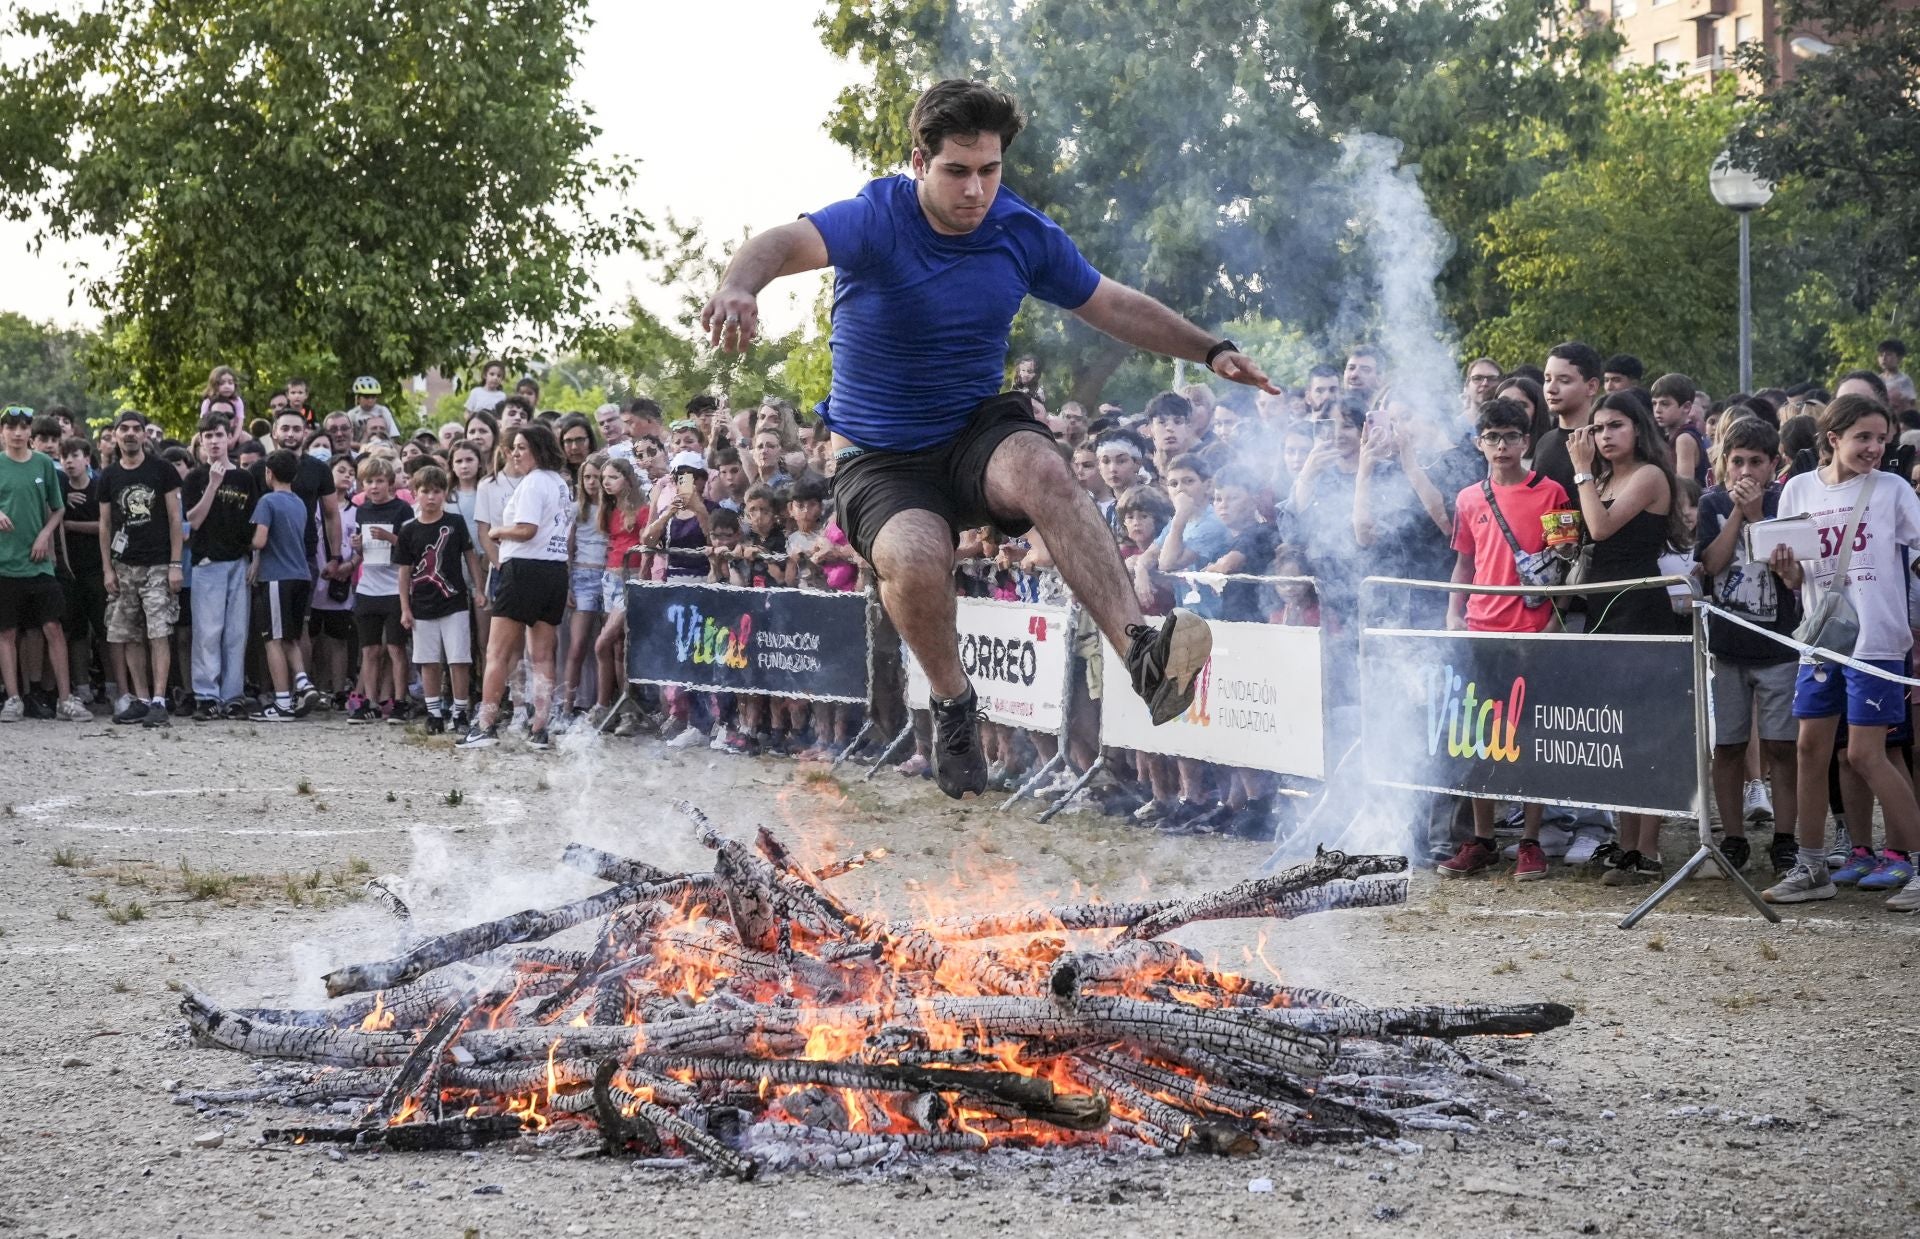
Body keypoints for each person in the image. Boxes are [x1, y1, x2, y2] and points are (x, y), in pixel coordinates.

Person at [700, 78, 1276, 797]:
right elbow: (782, 242)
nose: (976, 190)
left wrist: (1209, 349)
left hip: (974, 435)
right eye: (958, 171)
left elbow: (1111, 304)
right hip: (881, 457)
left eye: (990, 170)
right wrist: (738, 286)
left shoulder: (1019, 231)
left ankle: (1145, 658)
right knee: (914, 555)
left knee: (1045, 465)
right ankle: (952, 703)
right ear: (919, 161)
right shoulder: (874, 217)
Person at [1764, 395, 1920, 912]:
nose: (1875, 448)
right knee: (1812, 750)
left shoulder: (1894, 490)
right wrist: (1786, 571)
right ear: (1833, 438)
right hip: (1821, 639)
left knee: (1865, 754)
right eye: (1863, 438)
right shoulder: (1797, 489)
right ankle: (1811, 867)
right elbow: (1793, 576)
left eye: (1882, 439)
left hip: (1877, 638)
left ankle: (1917, 863)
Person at [1440, 397, 1571, 881]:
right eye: (1492, 437)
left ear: (1527, 441)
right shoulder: (1468, 498)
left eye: (1511, 436)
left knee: (1530, 740)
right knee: (1479, 740)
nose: (1502, 446)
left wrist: (1553, 629)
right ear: (1479, 443)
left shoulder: (1553, 493)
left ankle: (1531, 840)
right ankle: (1484, 838)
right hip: (1480, 632)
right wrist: (1454, 613)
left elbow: (1564, 568)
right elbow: (1463, 561)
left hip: (1531, 633)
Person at [1567, 390, 1690, 885]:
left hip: (1640, 611)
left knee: (1644, 732)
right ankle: (1624, 841)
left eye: (1615, 426)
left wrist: (1578, 471)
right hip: (1602, 608)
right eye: (1597, 429)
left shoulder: (1649, 476)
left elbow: (1600, 527)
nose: (1603, 437)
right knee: (1616, 731)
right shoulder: (1601, 478)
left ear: (1638, 428)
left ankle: (1649, 848)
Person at [1694, 417, 1802, 879]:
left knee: (1781, 746)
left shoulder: (1785, 502)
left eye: (1755, 462)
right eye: (1736, 461)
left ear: (1773, 465)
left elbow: (1793, 575)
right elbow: (1712, 565)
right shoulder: (1712, 504)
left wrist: (1758, 514)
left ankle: (1785, 838)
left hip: (1778, 646)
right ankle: (1733, 838)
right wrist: (1737, 513)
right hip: (1729, 646)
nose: (1745, 471)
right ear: (1723, 462)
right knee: (1731, 745)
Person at [459, 424, 573, 751]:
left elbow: (526, 529)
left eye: (522, 447)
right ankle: (539, 727)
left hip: (524, 568)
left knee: (497, 652)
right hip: (553, 570)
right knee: (542, 654)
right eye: (513, 447)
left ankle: (485, 724)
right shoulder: (559, 482)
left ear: (539, 448)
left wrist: (497, 531)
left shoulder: (534, 482)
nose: (515, 453)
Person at [0, 406, 86, 722]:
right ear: (2, 432)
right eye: (12, 427)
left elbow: (57, 508)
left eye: (24, 427)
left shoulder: (43, 465)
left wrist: (44, 535)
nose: (18, 432)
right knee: (7, 632)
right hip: (4, 564)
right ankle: (13, 699)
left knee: (53, 627)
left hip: (39, 563)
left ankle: (66, 699)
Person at [98, 411, 183, 727]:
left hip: (159, 564)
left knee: (159, 631)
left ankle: (160, 702)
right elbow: (105, 525)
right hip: (123, 567)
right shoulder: (108, 476)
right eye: (124, 429)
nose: (131, 434)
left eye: (137, 429)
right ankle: (142, 699)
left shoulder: (163, 470)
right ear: (116, 435)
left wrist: (176, 564)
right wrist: (108, 569)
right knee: (130, 633)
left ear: (146, 435)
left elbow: (176, 519)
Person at [179, 413, 260, 720]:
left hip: (238, 561)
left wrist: (256, 559)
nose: (213, 441)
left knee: (236, 632)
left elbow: (255, 523)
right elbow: (195, 520)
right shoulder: (196, 478)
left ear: (229, 438)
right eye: (207, 436)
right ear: (201, 441)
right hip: (207, 563)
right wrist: (213, 484)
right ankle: (206, 694)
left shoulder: (244, 478)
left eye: (218, 435)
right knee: (208, 632)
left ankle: (233, 695)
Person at [397, 465, 483, 735]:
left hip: (454, 601)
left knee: (459, 658)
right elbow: (404, 571)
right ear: (415, 494)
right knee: (428, 659)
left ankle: (459, 710)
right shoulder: (408, 530)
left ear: (445, 493)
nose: (431, 497)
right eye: (425, 492)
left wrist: (479, 588)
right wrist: (405, 607)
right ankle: (434, 711)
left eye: (437, 491)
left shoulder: (455, 523)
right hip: (422, 604)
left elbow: (470, 556)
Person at [248, 450, 321, 720]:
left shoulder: (267, 501)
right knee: (291, 636)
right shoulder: (300, 503)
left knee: (272, 640)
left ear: (269, 473)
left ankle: (281, 702)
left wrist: (245, 538)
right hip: (301, 575)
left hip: (277, 577)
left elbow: (260, 540)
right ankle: (302, 682)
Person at [345, 456, 415, 723]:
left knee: (396, 648)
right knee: (370, 649)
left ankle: (399, 701)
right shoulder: (362, 510)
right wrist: (357, 546)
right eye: (368, 482)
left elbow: (410, 547)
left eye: (379, 481)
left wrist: (390, 538)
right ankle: (370, 702)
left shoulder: (402, 510)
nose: (374, 487)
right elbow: (362, 552)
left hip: (394, 586)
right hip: (368, 586)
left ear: (390, 483)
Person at [1532, 341, 1602, 498]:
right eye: (1548, 379)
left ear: (1591, 387)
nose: (1551, 389)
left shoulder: (1605, 441)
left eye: (1564, 380)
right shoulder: (1544, 442)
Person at [1650, 373, 1707, 488]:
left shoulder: (1684, 439)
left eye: (1664, 404)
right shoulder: (1670, 436)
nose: (1657, 410)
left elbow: (1684, 488)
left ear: (1686, 407)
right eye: (1654, 403)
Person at [1877, 339, 1915, 413]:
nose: (1884, 358)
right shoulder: (1877, 379)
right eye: (1881, 355)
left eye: (1888, 354)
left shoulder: (1904, 380)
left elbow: (1910, 405)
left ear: (1899, 358)